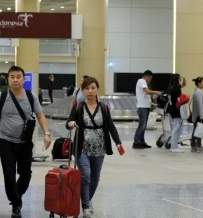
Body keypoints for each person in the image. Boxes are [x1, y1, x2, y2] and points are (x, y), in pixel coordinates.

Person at [0, 66, 51, 218]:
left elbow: (40, 116)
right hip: (5, 140)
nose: (15, 79)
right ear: (8, 79)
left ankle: (17, 196)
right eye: (12, 77)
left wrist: (46, 134)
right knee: (8, 173)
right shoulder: (1, 96)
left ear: (23, 79)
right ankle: (16, 204)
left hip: (25, 142)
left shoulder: (30, 96)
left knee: (26, 173)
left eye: (18, 77)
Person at [66, 77, 122, 218]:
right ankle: (85, 207)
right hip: (82, 147)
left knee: (95, 178)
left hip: (99, 147)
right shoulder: (78, 106)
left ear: (97, 89)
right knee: (85, 176)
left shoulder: (104, 107)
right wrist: (72, 123)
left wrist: (118, 142)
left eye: (93, 88)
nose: (90, 91)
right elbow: (68, 122)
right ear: (83, 90)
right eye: (87, 88)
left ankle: (87, 199)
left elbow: (110, 126)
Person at [133, 70, 161, 149]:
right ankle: (136, 142)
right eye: (150, 78)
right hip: (142, 107)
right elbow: (146, 91)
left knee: (143, 126)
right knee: (141, 125)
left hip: (145, 107)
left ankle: (141, 142)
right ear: (147, 76)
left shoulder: (142, 82)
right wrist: (155, 92)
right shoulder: (142, 81)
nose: (150, 79)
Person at [166, 74, 184, 153]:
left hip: (171, 110)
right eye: (180, 78)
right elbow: (179, 100)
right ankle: (174, 147)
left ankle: (173, 145)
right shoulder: (176, 88)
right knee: (176, 129)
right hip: (176, 110)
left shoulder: (170, 87)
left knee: (174, 128)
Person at [191, 77, 203, 153]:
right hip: (199, 115)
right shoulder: (198, 92)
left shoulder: (197, 92)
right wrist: (202, 116)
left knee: (196, 130)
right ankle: (198, 146)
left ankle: (194, 146)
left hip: (197, 115)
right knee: (199, 131)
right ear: (199, 83)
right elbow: (200, 105)